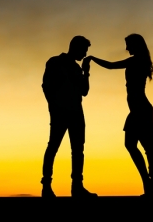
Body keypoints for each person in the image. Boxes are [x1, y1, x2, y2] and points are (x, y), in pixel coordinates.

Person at [87, 34, 153, 197]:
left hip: (141, 110)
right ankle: (149, 184)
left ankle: (151, 185)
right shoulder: (139, 60)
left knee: (145, 148)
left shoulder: (136, 60)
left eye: (128, 44)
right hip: (137, 110)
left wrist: (91, 59)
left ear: (136, 45)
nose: (126, 48)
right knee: (136, 146)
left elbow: (110, 66)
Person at [41, 35, 98, 197]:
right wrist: (53, 106)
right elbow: (46, 86)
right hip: (60, 112)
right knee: (53, 147)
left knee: (78, 149)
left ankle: (77, 187)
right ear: (75, 47)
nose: (85, 54)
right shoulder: (54, 62)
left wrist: (86, 72)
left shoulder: (76, 68)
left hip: (76, 112)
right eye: (84, 50)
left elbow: (85, 91)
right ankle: (46, 186)